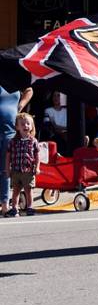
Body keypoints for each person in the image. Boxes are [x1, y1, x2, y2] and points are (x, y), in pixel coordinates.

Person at [1, 86, 32, 217]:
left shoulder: (12, 76)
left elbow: (29, 90)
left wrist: (20, 106)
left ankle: (5, 205)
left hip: (10, 132)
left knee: (6, 170)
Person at [5, 113, 39, 217]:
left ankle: (29, 207)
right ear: (17, 127)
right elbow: (8, 156)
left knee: (28, 190)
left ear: (32, 126)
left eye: (28, 124)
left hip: (28, 170)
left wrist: (37, 167)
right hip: (15, 170)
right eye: (23, 124)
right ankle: (14, 209)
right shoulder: (13, 142)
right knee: (15, 190)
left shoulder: (33, 141)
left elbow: (37, 156)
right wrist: (7, 169)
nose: (26, 126)